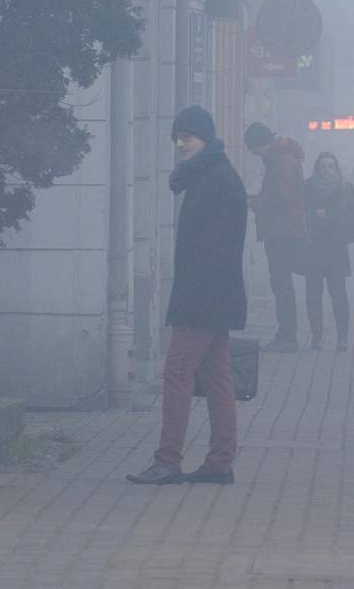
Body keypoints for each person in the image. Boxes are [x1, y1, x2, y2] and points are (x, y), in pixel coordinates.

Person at [127, 105, 247, 485]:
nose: (181, 143)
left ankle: (169, 460)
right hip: (216, 295)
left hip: (202, 297)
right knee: (218, 378)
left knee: (177, 372)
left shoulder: (212, 181)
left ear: (205, 138)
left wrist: (199, 301)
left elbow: (210, 249)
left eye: (188, 136)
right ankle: (220, 461)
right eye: (177, 137)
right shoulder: (216, 176)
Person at [244, 121, 307, 353]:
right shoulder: (282, 158)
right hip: (284, 229)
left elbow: (281, 198)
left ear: (261, 144)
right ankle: (286, 334)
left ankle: (287, 336)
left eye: (252, 148)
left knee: (281, 284)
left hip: (283, 231)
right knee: (281, 284)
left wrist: (254, 202)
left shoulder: (280, 161)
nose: (252, 153)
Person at [303, 151, 354, 351]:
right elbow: (301, 213)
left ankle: (342, 336)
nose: (326, 170)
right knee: (313, 294)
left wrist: (343, 237)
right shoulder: (307, 187)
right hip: (314, 249)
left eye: (330, 166)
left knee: (338, 294)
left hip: (336, 249)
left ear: (336, 168)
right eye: (323, 166)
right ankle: (317, 335)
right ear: (317, 168)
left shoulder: (346, 189)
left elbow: (353, 217)